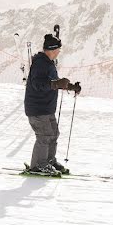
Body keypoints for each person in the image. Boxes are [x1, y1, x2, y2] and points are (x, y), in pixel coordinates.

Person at [24, 33, 81, 176]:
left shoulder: (48, 63)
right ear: (51, 49)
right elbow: (37, 84)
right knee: (44, 135)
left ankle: (49, 161)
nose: (59, 53)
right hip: (38, 108)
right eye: (58, 50)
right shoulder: (40, 63)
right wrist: (56, 83)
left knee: (53, 134)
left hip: (46, 108)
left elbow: (54, 83)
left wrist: (70, 86)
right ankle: (38, 165)